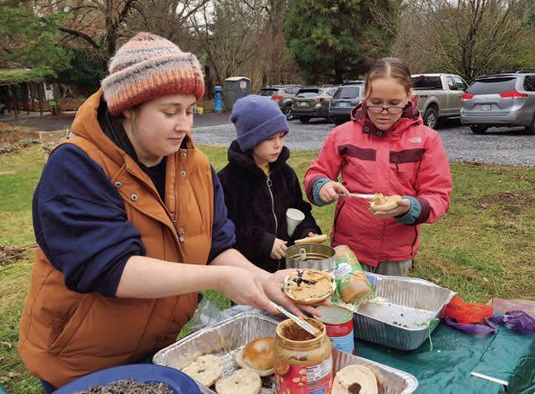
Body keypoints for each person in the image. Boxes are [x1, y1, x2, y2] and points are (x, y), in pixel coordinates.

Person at [18, 32, 318, 393]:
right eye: (169, 112)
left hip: (159, 353)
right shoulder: (76, 167)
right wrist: (217, 280)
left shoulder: (197, 167)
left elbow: (217, 245)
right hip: (81, 364)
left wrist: (260, 278)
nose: (185, 125)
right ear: (128, 106)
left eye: (190, 111)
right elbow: (111, 269)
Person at [304, 58, 452, 276]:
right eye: (376, 102)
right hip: (349, 249)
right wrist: (321, 186)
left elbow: (439, 195)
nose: (384, 111)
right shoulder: (342, 135)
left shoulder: (426, 140)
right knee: (348, 304)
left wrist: (412, 208)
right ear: (364, 97)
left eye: (394, 104)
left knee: (387, 306)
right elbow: (316, 173)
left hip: (397, 252)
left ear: (410, 98)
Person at [218, 95, 322, 273]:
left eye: (281, 136)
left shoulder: (285, 173)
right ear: (250, 140)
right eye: (270, 138)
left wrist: (307, 231)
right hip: (249, 274)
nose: (278, 145)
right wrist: (263, 243)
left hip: (286, 271)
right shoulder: (228, 181)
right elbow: (226, 230)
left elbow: (299, 210)